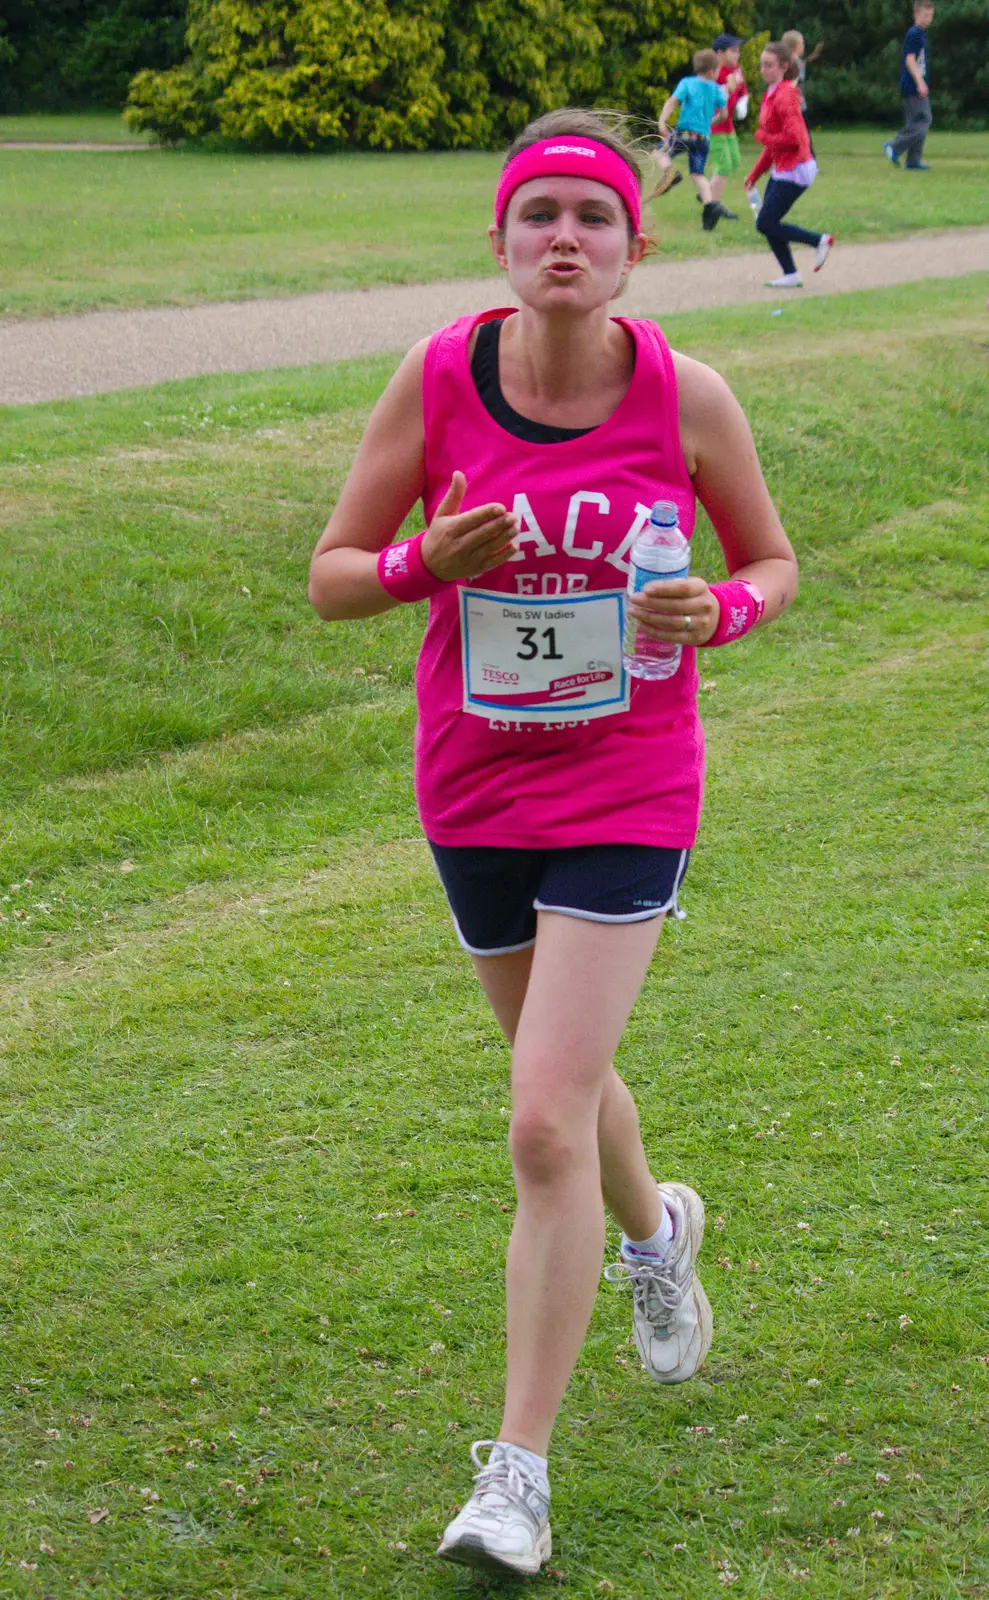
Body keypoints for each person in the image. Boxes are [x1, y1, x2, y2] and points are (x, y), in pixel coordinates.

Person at [309, 107, 798, 1577]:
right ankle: (657, 1238)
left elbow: (772, 560)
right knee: (561, 1090)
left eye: (594, 217)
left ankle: (514, 1475)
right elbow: (332, 578)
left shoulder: (686, 397)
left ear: (636, 253)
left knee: (537, 1119)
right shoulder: (441, 379)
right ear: (502, 247)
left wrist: (725, 609)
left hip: (628, 785)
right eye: (540, 219)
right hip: (473, 792)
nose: (566, 240)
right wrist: (416, 564)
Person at [744, 42, 835, 290]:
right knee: (767, 221)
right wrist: (754, 174)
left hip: (796, 169)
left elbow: (797, 139)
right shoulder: (772, 94)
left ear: (784, 67)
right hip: (783, 166)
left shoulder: (785, 96)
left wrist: (764, 137)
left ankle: (819, 241)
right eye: (762, 65)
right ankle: (790, 274)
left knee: (765, 223)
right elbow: (774, 146)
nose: (763, 70)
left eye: (769, 65)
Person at [656, 49, 732, 230]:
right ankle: (710, 206)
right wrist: (708, 122)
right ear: (712, 71)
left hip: (684, 134)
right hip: (703, 139)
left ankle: (670, 173)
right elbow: (724, 115)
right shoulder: (716, 90)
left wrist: (662, 121)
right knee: (698, 175)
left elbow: (672, 102)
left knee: (659, 151)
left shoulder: (687, 83)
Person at [885, 0, 935, 170]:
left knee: (915, 121)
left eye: (931, 15)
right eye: (925, 15)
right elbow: (910, 60)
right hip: (912, 86)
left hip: (916, 85)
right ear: (916, 15)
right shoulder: (914, 33)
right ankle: (894, 146)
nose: (929, 19)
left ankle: (913, 161)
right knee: (924, 119)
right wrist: (920, 83)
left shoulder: (920, 34)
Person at [709, 32, 748, 214]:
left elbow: (742, 90)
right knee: (723, 165)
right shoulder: (714, 73)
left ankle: (707, 192)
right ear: (720, 54)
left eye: (737, 51)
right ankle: (713, 204)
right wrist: (726, 89)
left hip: (728, 125)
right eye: (733, 51)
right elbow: (710, 98)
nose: (737, 55)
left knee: (734, 161)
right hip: (714, 126)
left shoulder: (736, 70)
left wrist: (742, 102)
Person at [781, 28, 824, 149]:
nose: (804, 46)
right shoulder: (796, 64)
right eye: (802, 44)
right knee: (804, 138)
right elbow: (793, 83)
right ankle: (810, 163)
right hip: (798, 106)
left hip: (788, 106)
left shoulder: (786, 63)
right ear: (797, 46)